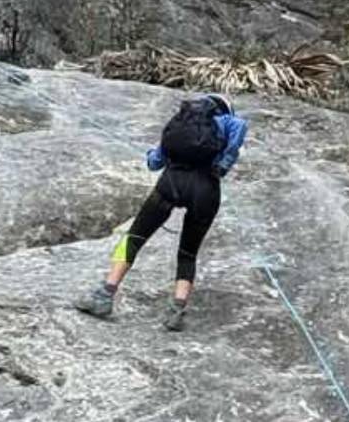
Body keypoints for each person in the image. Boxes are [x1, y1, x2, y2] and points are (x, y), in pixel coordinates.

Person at [74, 93, 248, 331]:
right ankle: (176, 311)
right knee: (188, 253)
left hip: (170, 183)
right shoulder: (229, 123)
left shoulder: (182, 121)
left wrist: (151, 155)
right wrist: (223, 165)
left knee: (133, 238)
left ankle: (104, 295)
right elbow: (238, 131)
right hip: (206, 190)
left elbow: (154, 162)